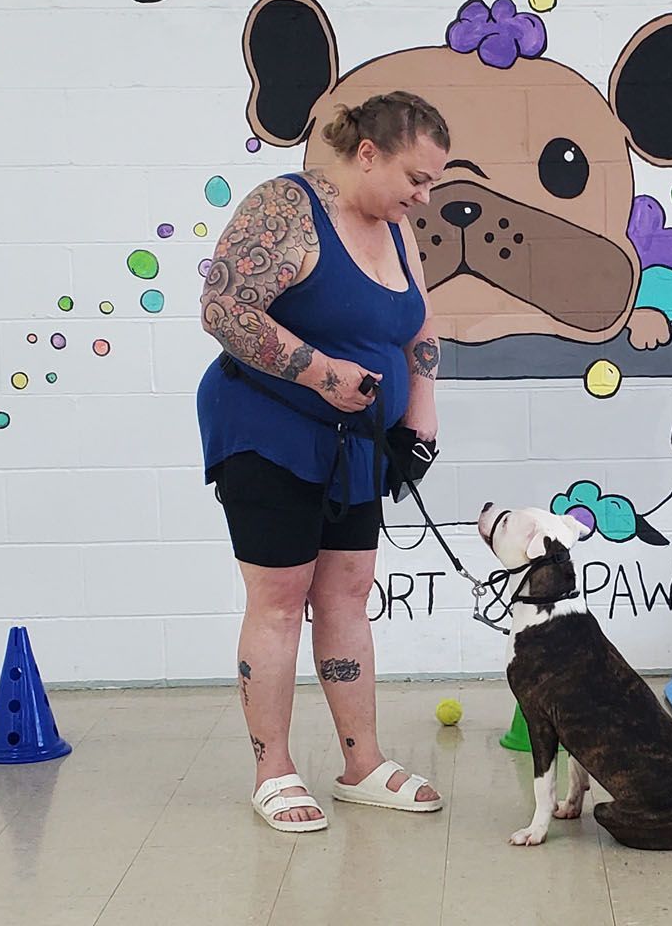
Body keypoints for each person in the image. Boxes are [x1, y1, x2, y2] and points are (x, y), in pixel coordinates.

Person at [196, 90, 449, 833]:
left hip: (357, 440)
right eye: (415, 177)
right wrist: (318, 373)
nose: (424, 196)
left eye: (432, 181)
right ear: (366, 153)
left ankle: (361, 763)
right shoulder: (287, 208)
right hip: (266, 430)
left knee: (346, 594)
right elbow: (223, 311)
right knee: (279, 600)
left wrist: (419, 420)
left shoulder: (397, 227)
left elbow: (421, 322)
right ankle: (272, 769)